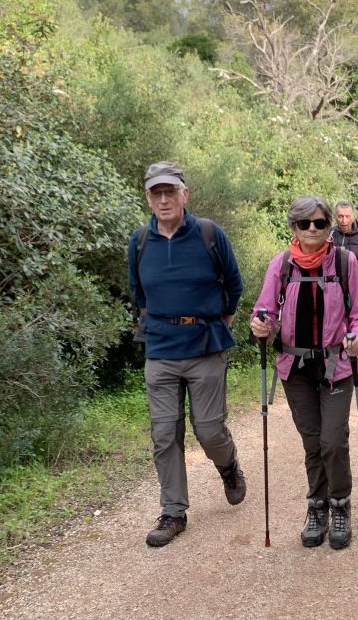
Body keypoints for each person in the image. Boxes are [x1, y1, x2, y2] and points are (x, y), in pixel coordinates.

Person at [128, 161, 246, 548]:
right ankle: (173, 512)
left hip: (205, 346)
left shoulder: (210, 234)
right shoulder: (140, 240)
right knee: (164, 433)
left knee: (209, 430)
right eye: (155, 193)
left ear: (185, 194)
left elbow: (234, 284)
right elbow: (138, 294)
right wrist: (164, 322)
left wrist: (215, 320)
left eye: (170, 191)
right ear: (148, 197)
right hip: (160, 349)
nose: (163, 199)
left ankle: (228, 467)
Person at [249, 197, 358, 550]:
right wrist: (261, 323)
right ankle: (316, 506)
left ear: (329, 225)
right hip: (296, 368)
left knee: (333, 440)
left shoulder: (346, 262)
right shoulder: (282, 264)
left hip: (337, 365)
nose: (313, 230)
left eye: (320, 223)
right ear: (294, 228)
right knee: (312, 441)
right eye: (305, 224)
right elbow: (265, 307)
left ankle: (340, 504)